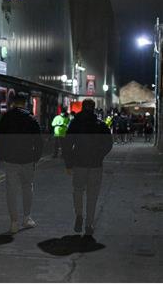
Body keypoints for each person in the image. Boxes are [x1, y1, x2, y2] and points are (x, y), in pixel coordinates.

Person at [62, 99, 113, 236]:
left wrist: (69, 163)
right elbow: (109, 143)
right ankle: (89, 223)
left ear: (82, 108)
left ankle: (79, 215)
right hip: (96, 165)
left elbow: (67, 144)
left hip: (79, 164)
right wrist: (100, 155)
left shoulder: (75, 123)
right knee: (93, 195)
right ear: (94, 108)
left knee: (78, 191)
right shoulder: (100, 125)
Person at [0, 95, 43, 234]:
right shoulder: (31, 119)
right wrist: (35, 157)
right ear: (25, 103)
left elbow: (0, 139)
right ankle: (27, 218)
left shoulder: (6, 118)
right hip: (28, 159)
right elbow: (38, 141)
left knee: (11, 191)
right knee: (27, 188)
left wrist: (3, 156)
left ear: (13, 103)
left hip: (11, 160)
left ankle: (14, 222)